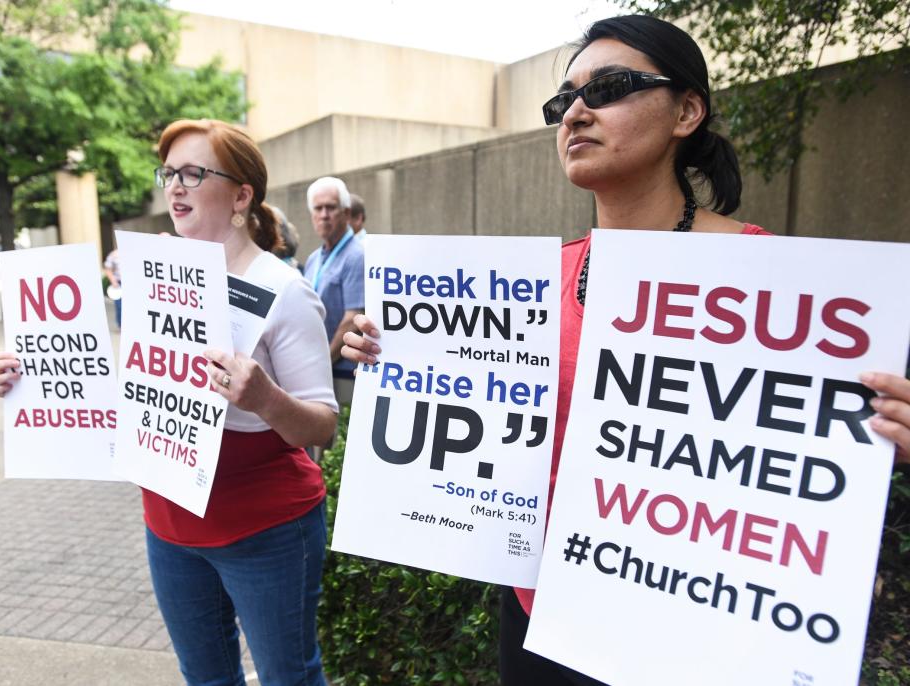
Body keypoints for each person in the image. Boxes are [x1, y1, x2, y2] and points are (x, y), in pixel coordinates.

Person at [339, 15, 910, 686]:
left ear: (687, 111)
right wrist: (398, 357)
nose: (576, 112)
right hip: (538, 615)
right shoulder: (538, 283)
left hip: (697, 636)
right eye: (563, 101)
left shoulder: (781, 291)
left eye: (608, 87)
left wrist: (888, 440)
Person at [0, 119, 338, 686]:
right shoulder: (154, 272)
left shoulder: (285, 291)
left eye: (193, 173)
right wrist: (31, 374)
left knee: (288, 678)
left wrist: (265, 397)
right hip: (170, 524)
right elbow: (133, 386)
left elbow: (321, 427)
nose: (174, 186)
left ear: (242, 195)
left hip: (266, 529)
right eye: (170, 173)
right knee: (205, 677)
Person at [303, 176, 365, 406]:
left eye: (331, 207)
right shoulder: (313, 258)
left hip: (341, 372)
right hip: (315, 370)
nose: (324, 215)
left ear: (346, 214)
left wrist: (323, 362)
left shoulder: (356, 256)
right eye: (318, 209)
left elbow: (353, 319)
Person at [102, 243, 122, 329]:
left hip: (130, 283)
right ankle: (121, 325)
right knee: (119, 306)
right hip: (118, 283)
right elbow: (108, 269)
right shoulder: (114, 255)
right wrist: (113, 281)